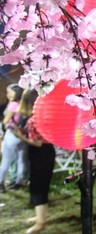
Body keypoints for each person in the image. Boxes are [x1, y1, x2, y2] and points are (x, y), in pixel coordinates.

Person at [12, 90, 56, 234]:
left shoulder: (33, 120)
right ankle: (42, 215)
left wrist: (20, 136)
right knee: (43, 184)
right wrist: (25, 134)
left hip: (39, 155)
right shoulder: (45, 116)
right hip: (48, 152)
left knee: (37, 186)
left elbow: (36, 143)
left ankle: (40, 222)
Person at [0, 83, 28, 191]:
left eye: (9, 92)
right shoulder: (24, 103)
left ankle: (0, 182)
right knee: (21, 160)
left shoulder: (13, 105)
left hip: (12, 134)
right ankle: (19, 182)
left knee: (6, 160)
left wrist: (4, 124)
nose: (7, 95)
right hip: (22, 134)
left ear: (16, 93)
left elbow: (6, 120)